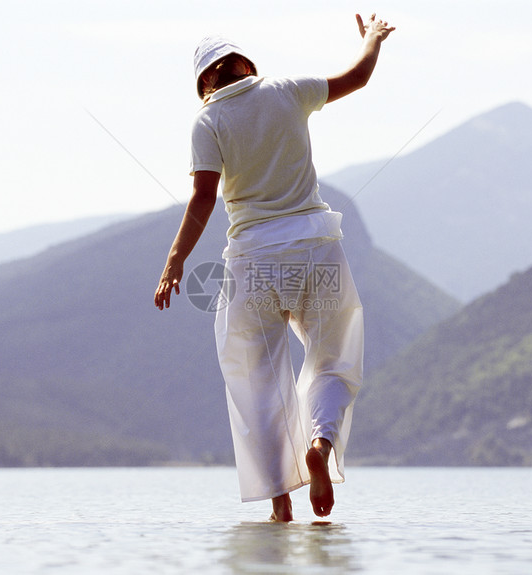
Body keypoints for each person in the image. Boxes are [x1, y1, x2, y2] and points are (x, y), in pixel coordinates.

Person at [155, 13, 395, 522]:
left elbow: (202, 198)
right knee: (332, 357)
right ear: (246, 63)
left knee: (257, 382)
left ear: (205, 82)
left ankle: (282, 506)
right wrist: (373, 39)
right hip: (315, 251)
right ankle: (320, 442)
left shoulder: (208, 121)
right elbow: (358, 77)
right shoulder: (287, 90)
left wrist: (176, 260)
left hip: (252, 263)